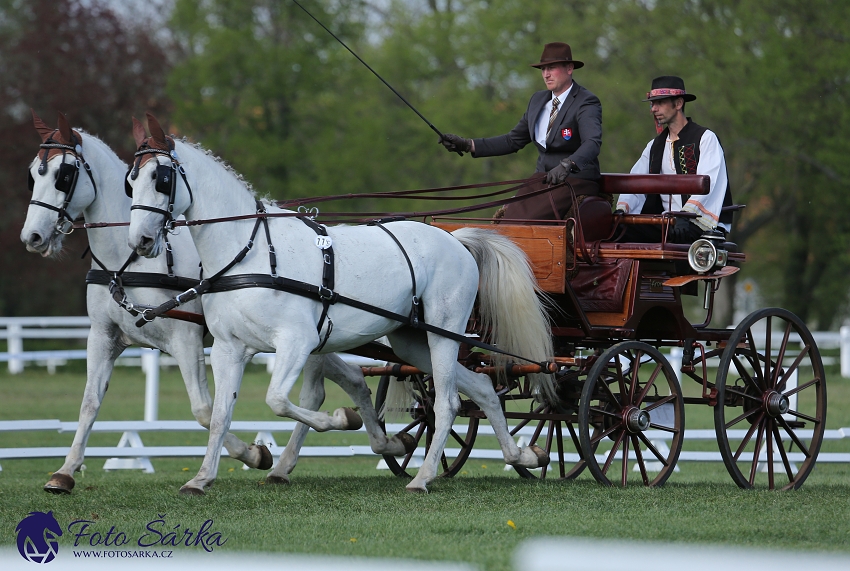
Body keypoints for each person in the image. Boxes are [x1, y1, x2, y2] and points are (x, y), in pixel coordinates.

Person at [439, 42, 603, 220]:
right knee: (508, 219)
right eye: (543, 69)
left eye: (552, 68)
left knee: (526, 221)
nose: (546, 74)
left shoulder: (586, 101)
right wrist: (467, 145)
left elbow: (592, 143)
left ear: (569, 68)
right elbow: (512, 140)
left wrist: (568, 164)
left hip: (575, 181)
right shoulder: (538, 100)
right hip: (542, 179)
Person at [616, 76, 733, 243]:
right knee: (615, 232)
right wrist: (622, 209)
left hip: (701, 224)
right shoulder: (654, 146)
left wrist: (685, 216)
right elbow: (636, 183)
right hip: (665, 223)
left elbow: (711, 182)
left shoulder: (705, 138)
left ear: (678, 104)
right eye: (652, 103)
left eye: (660, 103)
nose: (653, 109)